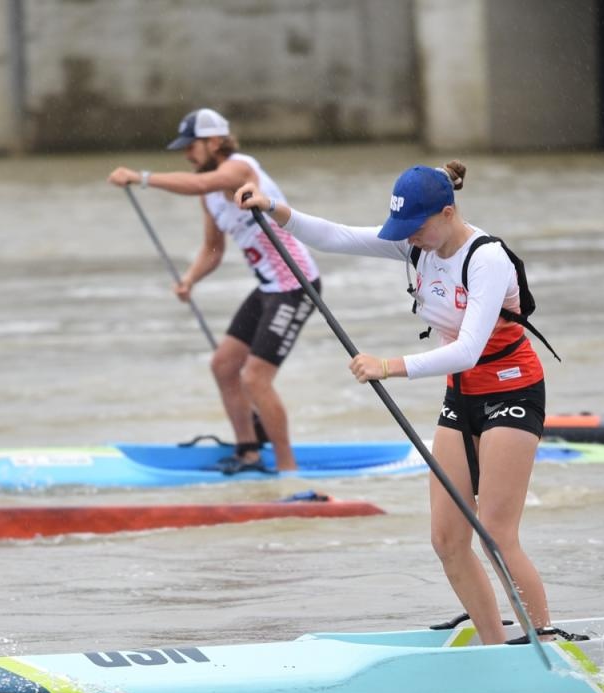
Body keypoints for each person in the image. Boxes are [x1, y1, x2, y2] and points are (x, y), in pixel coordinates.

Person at [236, 163, 560, 645]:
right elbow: (336, 236)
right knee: (447, 539)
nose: (410, 237)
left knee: (494, 531)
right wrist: (275, 210)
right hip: (462, 394)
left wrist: (388, 366)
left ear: (447, 213)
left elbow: (468, 350)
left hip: (512, 390)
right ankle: (496, 646)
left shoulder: (487, 259)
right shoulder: (417, 244)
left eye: (417, 227)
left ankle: (546, 643)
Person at [108, 108, 320, 474]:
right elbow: (213, 250)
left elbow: (199, 184)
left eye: (192, 146)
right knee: (223, 365)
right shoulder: (210, 196)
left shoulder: (240, 169)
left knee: (255, 378)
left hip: (295, 284)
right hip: (268, 287)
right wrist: (190, 279)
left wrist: (141, 178)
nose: (187, 155)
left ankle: (287, 470)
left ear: (216, 141)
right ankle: (248, 452)